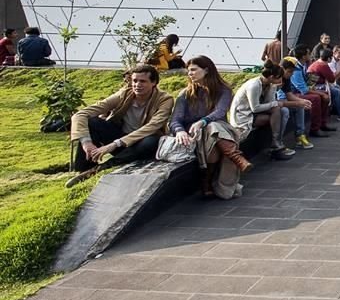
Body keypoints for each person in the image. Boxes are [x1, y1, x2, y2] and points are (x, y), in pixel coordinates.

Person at [67, 64, 173, 186]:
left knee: (152, 140)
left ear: (154, 82)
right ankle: (83, 170)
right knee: (93, 122)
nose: (137, 85)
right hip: (121, 140)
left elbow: (153, 126)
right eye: (135, 81)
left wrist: (114, 144)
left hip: (141, 143)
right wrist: (86, 143)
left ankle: (103, 167)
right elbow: (81, 115)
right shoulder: (124, 94)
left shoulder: (165, 99)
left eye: (142, 81)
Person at [169, 56, 239, 199]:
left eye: (194, 70)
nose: (190, 74)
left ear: (206, 70)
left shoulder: (223, 90)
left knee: (212, 127)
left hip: (220, 129)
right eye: (188, 71)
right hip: (195, 134)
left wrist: (203, 121)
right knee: (211, 135)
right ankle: (234, 156)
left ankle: (206, 180)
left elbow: (220, 112)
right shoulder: (186, 94)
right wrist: (180, 131)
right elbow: (175, 120)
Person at [228, 62, 296, 162]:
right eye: (279, 78)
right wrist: (275, 104)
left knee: (280, 112)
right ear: (272, 77)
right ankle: (276, 145)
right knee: (276, 116)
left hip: (256, 113)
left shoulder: (269, 84)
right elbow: (255, 108)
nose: (281, 81)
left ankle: (276, 143)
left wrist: (273, 90)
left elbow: (269, 102)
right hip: (244, 115)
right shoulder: (254, 85)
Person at [289, 44, 333, 137]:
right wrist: (319, 92)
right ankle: (314, 129)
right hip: (294, 94)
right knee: (316, 98)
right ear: (304, 56)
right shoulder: (296, 69)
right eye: (308, 53)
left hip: (302, 90)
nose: (310, 55)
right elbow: (303, 90)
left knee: (324, 94)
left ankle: (322, 124)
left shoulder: (304, 65)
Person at [279, 57, 314, 151]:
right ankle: (278, 142)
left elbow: (289, 95)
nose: (291, 74)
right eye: (289, 72)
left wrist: (302, 101)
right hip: (275, 104)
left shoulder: (286, 79)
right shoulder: (276, 78)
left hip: (280, 102)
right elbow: (279, 101)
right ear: (282, 69)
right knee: (285, 111)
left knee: (300, 106)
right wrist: (298, 102)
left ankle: (300, 135)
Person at [308, 49, 340, 123]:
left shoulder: (317, 63)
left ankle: (338, 109)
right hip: (316, 86)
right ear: (328, 58)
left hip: (315, 84)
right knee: (336, 91)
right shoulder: (323, 65)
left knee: (337, 88)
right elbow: (332, 79)